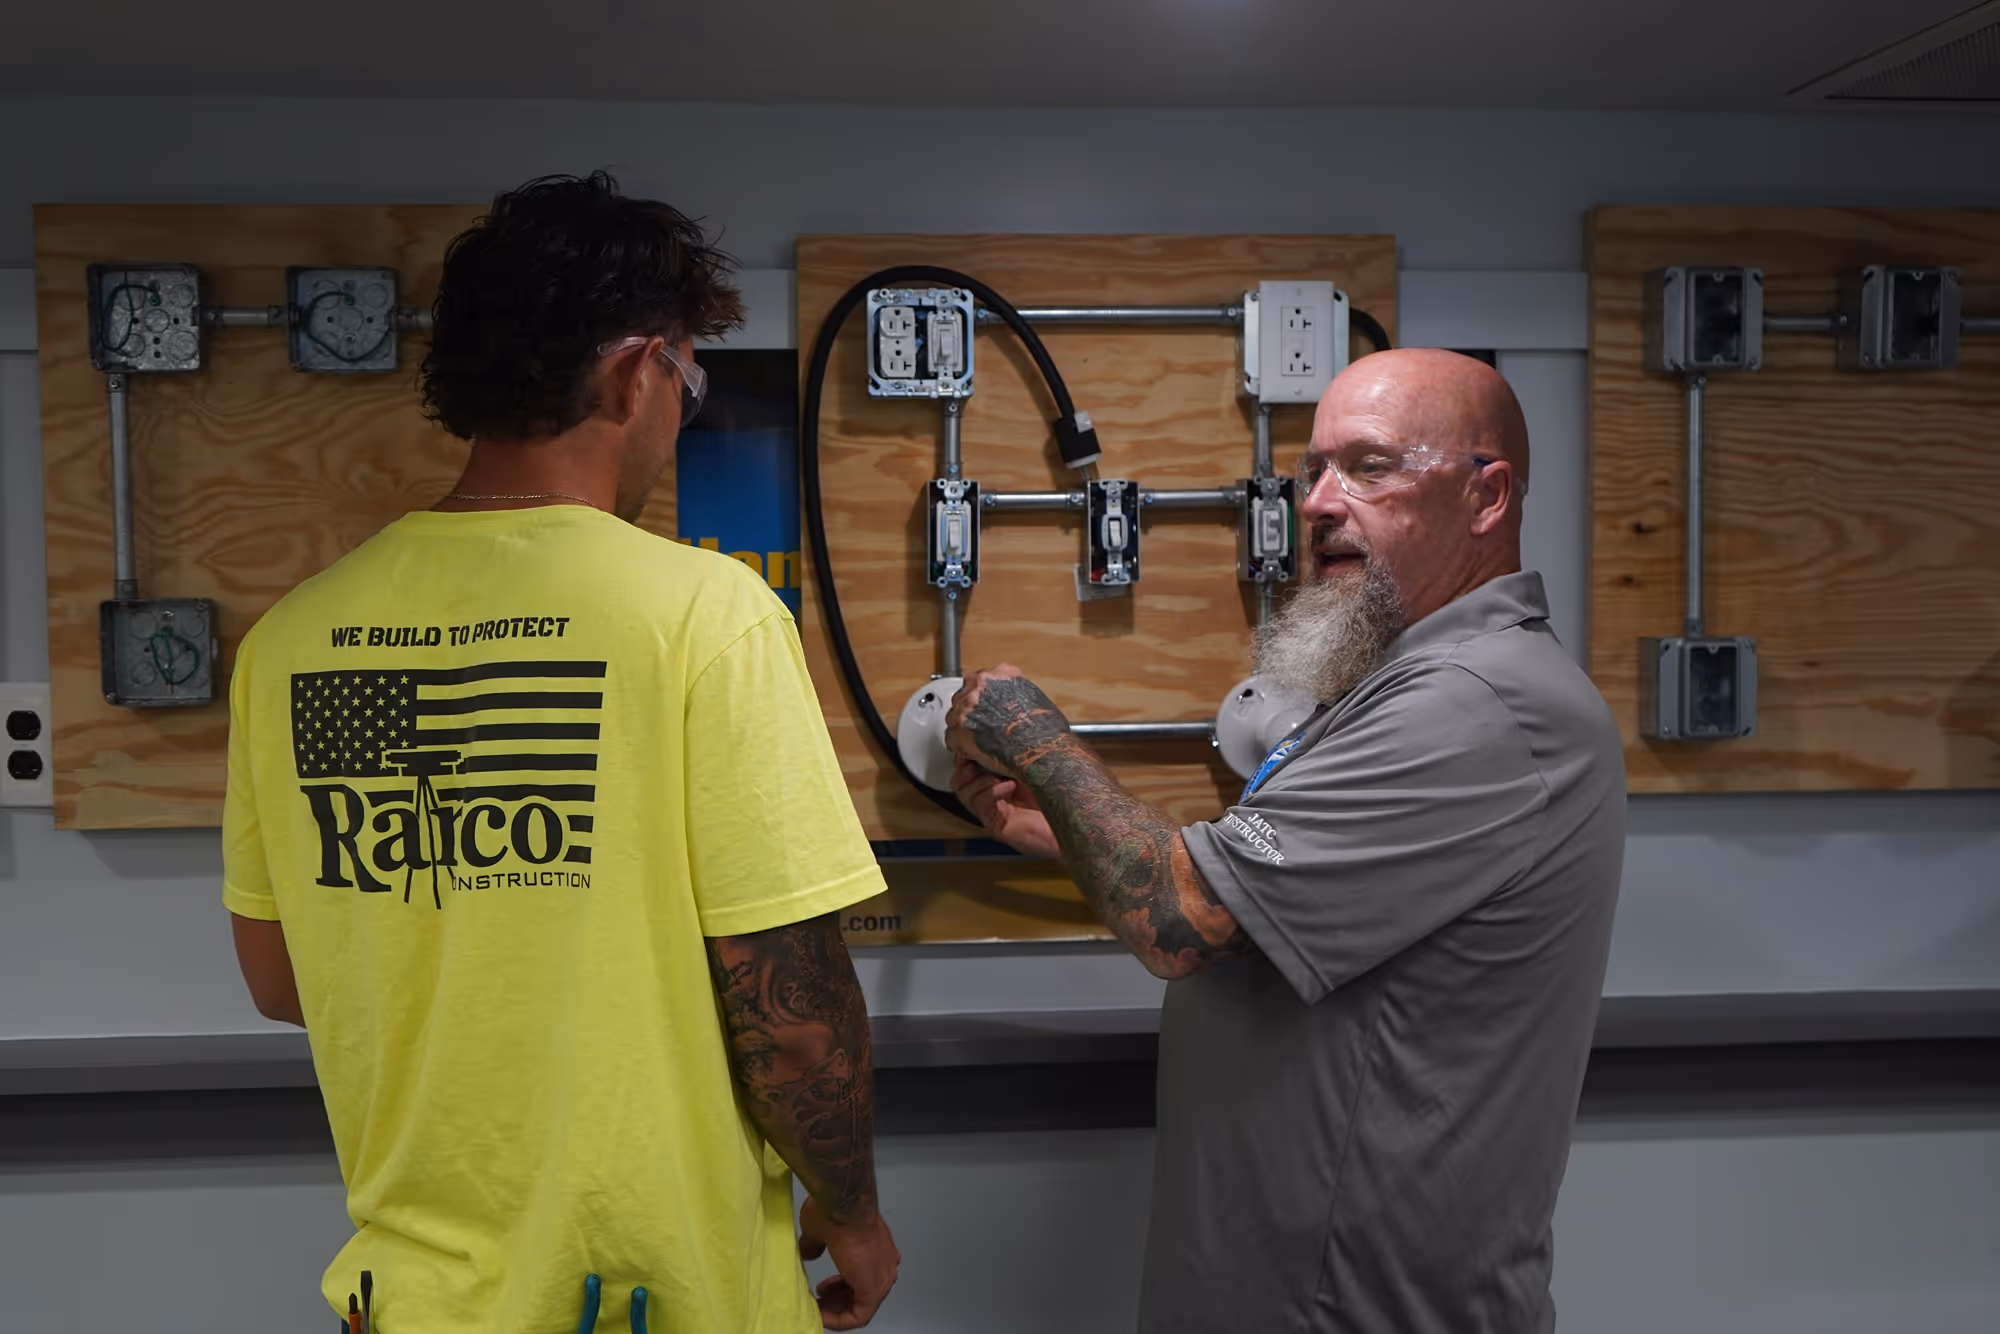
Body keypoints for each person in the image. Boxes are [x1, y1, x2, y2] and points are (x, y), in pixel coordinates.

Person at [223, 173, 898, 1334]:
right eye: (686, 378)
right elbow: (788, 1011)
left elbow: (286, 980)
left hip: (407, 1304)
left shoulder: (293, 640)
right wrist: (853, 1208)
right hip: (655, 1296)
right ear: (637, 369)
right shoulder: (701, 614)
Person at [948, 349, 1625, 1333]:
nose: (1316, 501)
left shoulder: (1477, 703)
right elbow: (1262, 890)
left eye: (1369, 465)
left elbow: (1182, 915)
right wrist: (1066, 827)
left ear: (1486, 495)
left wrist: (1043, 748)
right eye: (1313, 468)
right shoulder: (1403, 685)